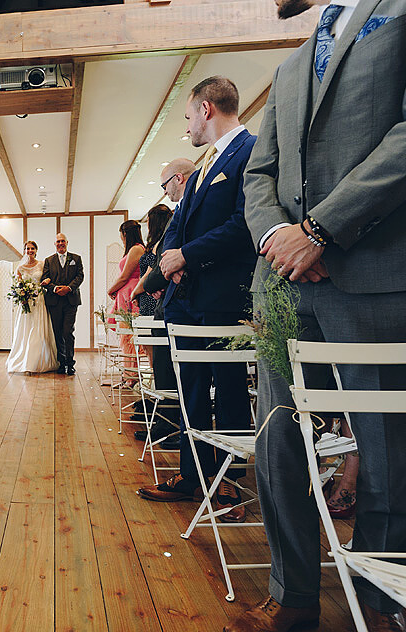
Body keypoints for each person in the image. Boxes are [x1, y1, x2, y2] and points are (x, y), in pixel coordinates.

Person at [237, 2, 406, 631]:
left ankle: (376, 606)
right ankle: (293, 593)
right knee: (276, 442)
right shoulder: (294, 59)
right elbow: (260, 172)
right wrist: (280, 237)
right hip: (285, 281)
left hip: (385, 268)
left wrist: (325, 230)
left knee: (383, 448)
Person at [143, 76, 257, 528]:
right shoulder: (203, 168)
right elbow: (176, 227)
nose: (188, 124)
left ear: (206, 109)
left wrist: (187, 255)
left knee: (227, 387)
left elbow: (244, 221)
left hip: (221, 296)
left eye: (189, 115)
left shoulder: (248, 151)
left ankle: (230, 483)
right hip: (183, 299)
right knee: (190, 389)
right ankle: (194, 476)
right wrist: (172, 259)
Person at [132, 159, 196, 447]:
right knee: (164, 367)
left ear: (178, 178)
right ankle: (166, 423)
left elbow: (164, 262)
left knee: (172, 370)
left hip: (179, 300)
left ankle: (171, 426)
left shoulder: (186, 211)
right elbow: (161, 262)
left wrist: (147, 287)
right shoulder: (179, 214)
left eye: (164, 185)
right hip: (165, 299)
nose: (165, 191)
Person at [6, 240, 59, 373]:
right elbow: (18, 285)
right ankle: (24, 360)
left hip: (39, 300)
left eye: (32, 249)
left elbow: (48, 278)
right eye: (27, 248)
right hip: (26, 302)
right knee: (25, 330)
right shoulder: (20, 268)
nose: (30, 251)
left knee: (38, 329)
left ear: (36, 250)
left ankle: (38, 361)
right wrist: (21, 295)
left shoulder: (42, 264)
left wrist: (47, 281)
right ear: (24, 251)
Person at [41, 234, 84, 375]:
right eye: (58, 241)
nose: (60, 243)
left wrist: (68, 288)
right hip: (54, 301)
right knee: (58, 333)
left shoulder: (76, 259)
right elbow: (44, 279)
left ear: (67, 242)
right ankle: (61, 363)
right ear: (55, 243)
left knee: (68, 332)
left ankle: (70, 363)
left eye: (63, 241)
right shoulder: (48, 260)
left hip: (71, 301)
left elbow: (80, 276)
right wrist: (55, 288)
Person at [108, 220, 146, 379]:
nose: (121, 238)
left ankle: (132, 375)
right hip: (125, 295)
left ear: (125, 234)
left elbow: (125, 276)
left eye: (121, 235)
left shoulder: (137, 249)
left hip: (131, 294)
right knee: (126, 335)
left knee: (130, 335)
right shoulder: (133, 249)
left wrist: (111, 289)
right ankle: (129, 372)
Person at [132, 205, 172, 319]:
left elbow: (149, 273)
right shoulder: (158, 244)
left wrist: (134, 292)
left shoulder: (159, 245)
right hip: (147, 292)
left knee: (150, 333)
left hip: (151, 294)